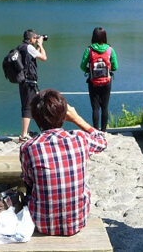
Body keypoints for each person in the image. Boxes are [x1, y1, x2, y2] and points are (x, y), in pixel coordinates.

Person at [19, 89, 107, 236]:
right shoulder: (80, 139)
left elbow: (28, 181)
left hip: (42, 224)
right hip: (77, 221)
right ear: (65, 114)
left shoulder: (28, 147)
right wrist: (77, 119)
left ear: (34, 117)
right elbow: (102, 141)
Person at [80, 27, 118, 132]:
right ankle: (104, 131)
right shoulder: (110, 49)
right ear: (105, 37)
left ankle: (96, 131)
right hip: (107, 82)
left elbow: (82, 66)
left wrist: (89, 70)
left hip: (93, 82)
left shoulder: (89, 49)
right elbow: (115, 67)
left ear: (93, 37)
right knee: (105, 107)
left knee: (95, 108)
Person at [17, 29, 47, 142]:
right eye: (35, 38)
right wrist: (41, 45)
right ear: (30, 39)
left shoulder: (21, 47)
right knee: (28, 107)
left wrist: (37, 47)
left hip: (23, 81)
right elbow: (44, 57)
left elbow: (33, 57)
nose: (35, 39)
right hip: (29, 82)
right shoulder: (29, 47)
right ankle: (24, 134)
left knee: (31, 105)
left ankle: (27, 132)